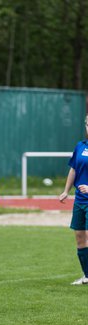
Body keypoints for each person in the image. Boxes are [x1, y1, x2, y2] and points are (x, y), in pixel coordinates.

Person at [59, 115, 88, 285]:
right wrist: (65, 191)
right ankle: (86, 275)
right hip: (80, 201)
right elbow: (73, 170)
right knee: (79, 236)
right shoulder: (80, 146)